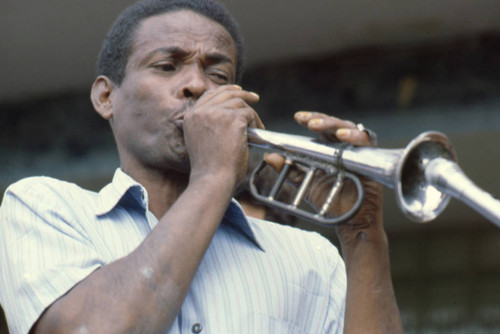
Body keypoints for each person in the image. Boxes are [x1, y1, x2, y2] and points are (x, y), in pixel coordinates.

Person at [0, 0, 404, 333]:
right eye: (166, 66)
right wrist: (213, 176)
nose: (197, 85)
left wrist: (361, 234)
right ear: (107, 97)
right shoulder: (43, 207)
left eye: (218, 74)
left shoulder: (311, 257)